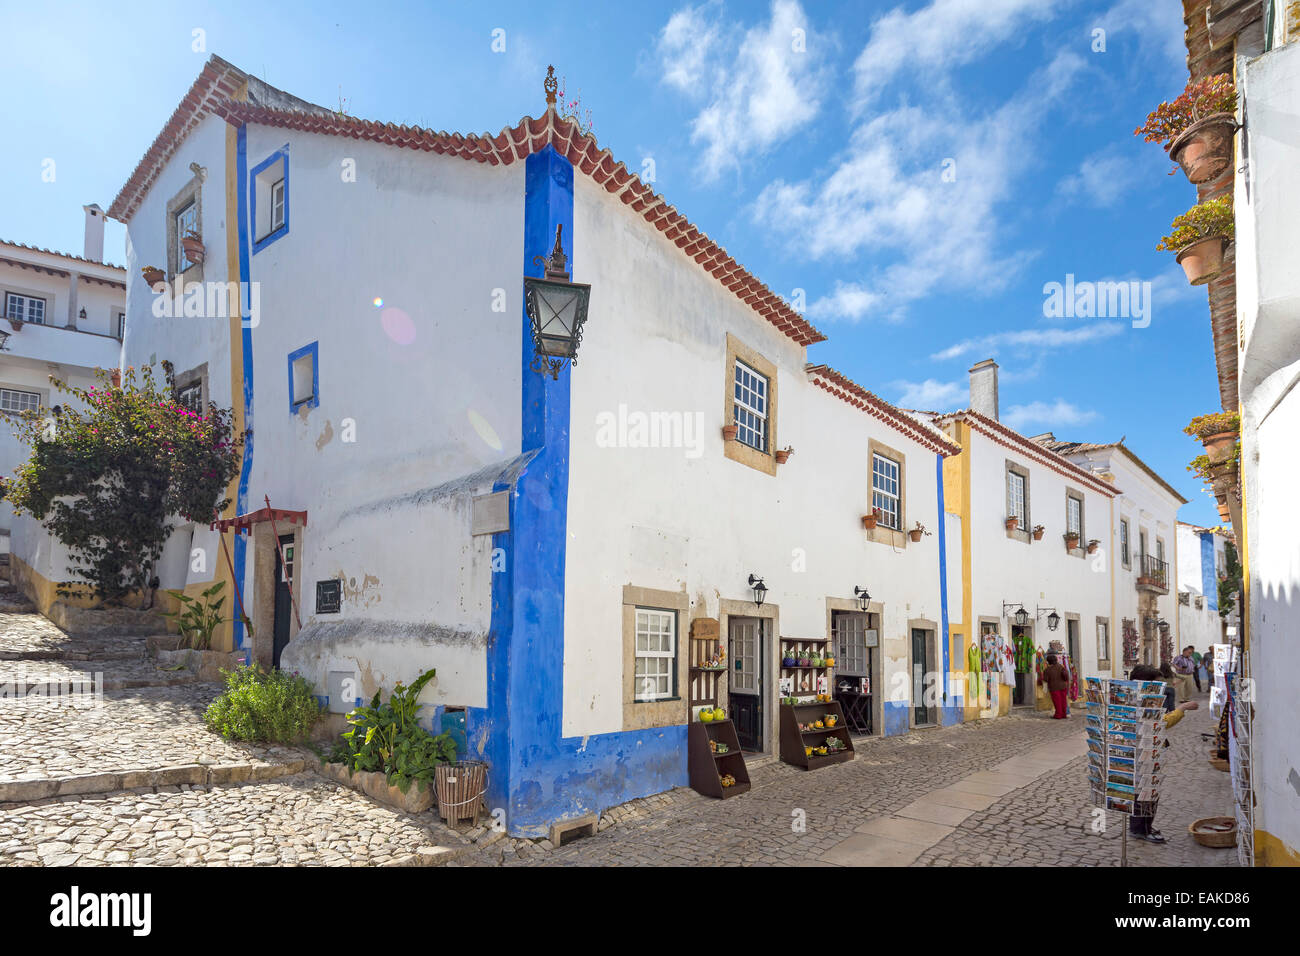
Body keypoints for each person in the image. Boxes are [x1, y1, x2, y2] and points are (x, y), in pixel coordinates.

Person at [1125, 664, 1196, 844]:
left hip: (1146, 751)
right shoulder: (1138, 701)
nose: (1159, 688)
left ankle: (1143, 826)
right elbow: (1160, 722)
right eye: (1156, 684)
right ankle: (1141, 829)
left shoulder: (1135, 697)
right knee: (1144, 792)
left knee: (1147, 791)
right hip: (1142, 753)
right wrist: (1182, 709)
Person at [1042, 652, 1070, 719]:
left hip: (1054, 688)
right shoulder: (1061, 666)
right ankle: (1064, 714)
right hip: (1063, 686)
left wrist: (1044, 689)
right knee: (1063, 701)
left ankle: (1058, 715)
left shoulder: (1047, 670)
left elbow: (1045, 680)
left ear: (1048, 661)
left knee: (1057, 702)